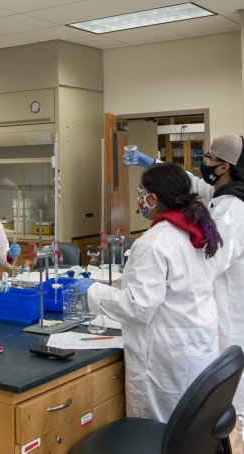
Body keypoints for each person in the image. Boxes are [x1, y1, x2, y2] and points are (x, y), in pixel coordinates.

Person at [126, 135, 244, 453]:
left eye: (208, 157)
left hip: (236, 315)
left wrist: (167, 250)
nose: (203, 162)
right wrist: (155, 164)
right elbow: (195, 186)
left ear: (224, 166)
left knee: (238, 398)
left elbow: (211, 258)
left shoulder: (233, 210)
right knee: (224, 395)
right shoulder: (229, 191)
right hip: (232, 308)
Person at [67, 162, 223, 423]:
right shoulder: (195, 233)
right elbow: (174, 286)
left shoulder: (155, 242)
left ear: (154, 198)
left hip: (165, 356)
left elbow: (138, 306)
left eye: (142, 193)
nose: (140, 200)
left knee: (158, 432)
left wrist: (92, 291)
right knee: (191, 430)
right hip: (196, 345)